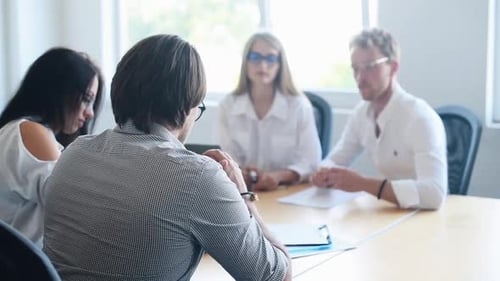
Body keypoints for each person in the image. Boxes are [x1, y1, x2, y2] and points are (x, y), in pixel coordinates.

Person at [43, 34, 291, 281]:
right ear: (187, 107)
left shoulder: (72, 154)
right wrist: (244, 198)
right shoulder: (198, 176)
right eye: (199, 107)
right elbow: (277, 277)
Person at [311, 28, 447, 210]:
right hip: (389, 213)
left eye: (369, 67)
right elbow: (335, 159)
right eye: (355, 68)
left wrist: (362, 184)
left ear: (393, 67)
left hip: (426, 218)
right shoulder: (361, 113)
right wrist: (323, 173)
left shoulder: (419, 118)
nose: (360, 77)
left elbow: (434, 195)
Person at [0, 47, 103, 246]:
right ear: (59, 91)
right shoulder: (31, 131)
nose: (90, 113)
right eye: (86, 99)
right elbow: (76, 206)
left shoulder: (14, 130)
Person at [218, 32, 321, 191]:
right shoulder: (228, 106)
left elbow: (311, 162)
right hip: (244, 191)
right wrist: (241, 172)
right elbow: (227, 157)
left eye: (271, 59)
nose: (263, 65)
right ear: (246, 61)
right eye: (255, 57)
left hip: (286, 192)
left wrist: (278, 176)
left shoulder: (299, 106)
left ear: (280, 64)